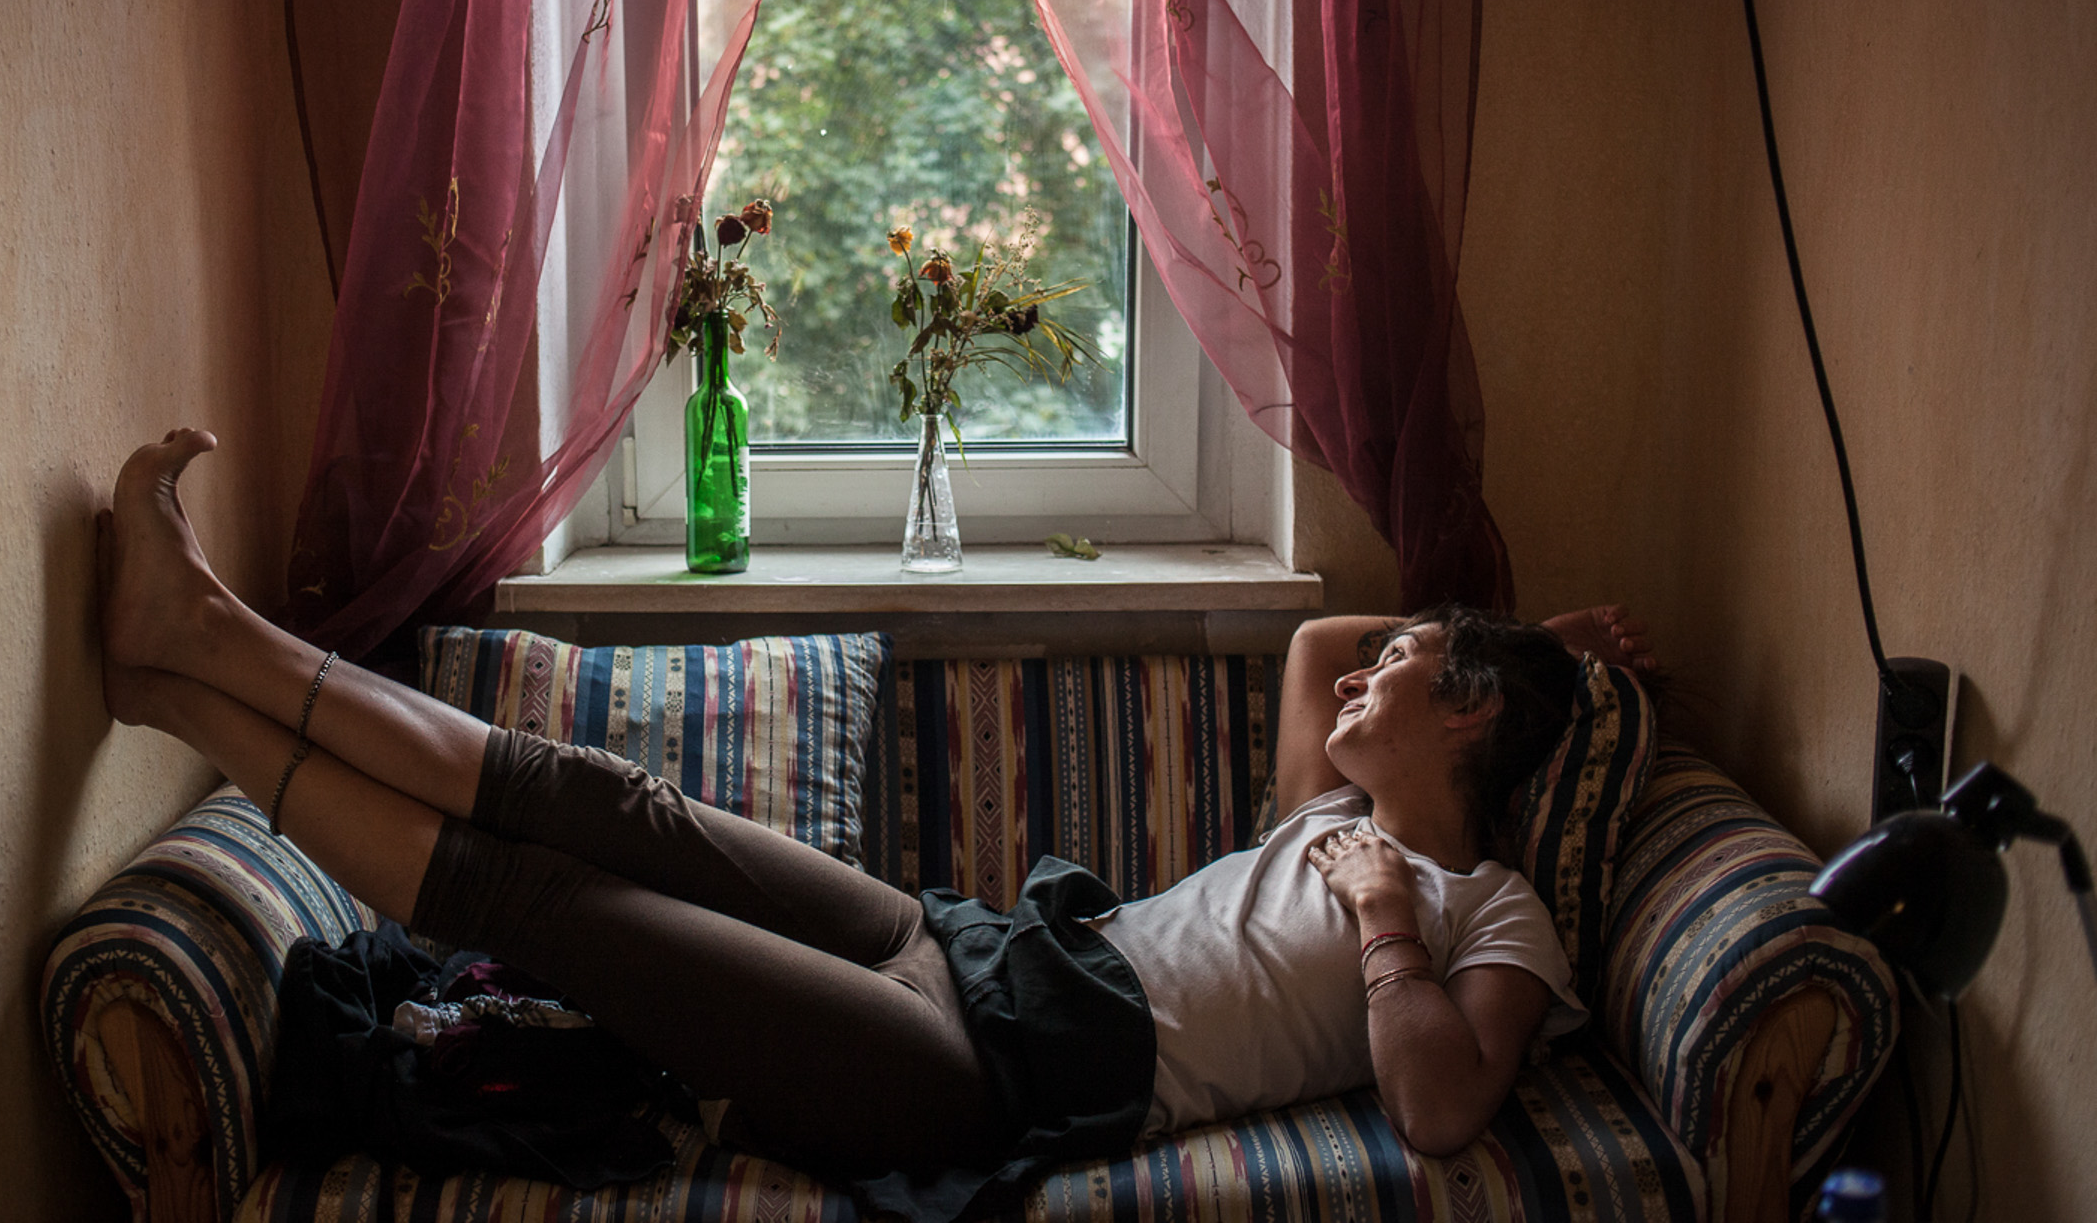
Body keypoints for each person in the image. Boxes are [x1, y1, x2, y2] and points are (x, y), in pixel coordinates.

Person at [99, 429, 1656, 1211]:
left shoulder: (1486, 912)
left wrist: (1388, 919)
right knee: (606, 801)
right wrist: (1543, 650)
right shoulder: (1329, 800)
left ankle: (178, 693)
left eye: (1419, 662)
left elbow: (1446, 1108)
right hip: (959, 949)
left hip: (976, 1079)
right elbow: (1316, 646)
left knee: (564, 916)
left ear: (1468, 723)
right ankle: (206, 639)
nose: (1371, 664)